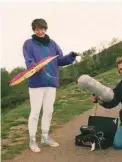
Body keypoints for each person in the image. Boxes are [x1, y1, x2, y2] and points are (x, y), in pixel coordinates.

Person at [23, 18, 79, 153]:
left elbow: (60, 60)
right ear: (34, 30)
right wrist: (35, 67)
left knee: (48, 111)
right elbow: (29, 60)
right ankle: (32, 140)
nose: (40, 31)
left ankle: (45, 137)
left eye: (42, 28)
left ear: (46, 29)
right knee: (35, 112)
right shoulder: (28, 44)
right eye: (37, 29)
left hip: (51, 83)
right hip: (36, 83)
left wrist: (71, 56)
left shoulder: (52, 44)